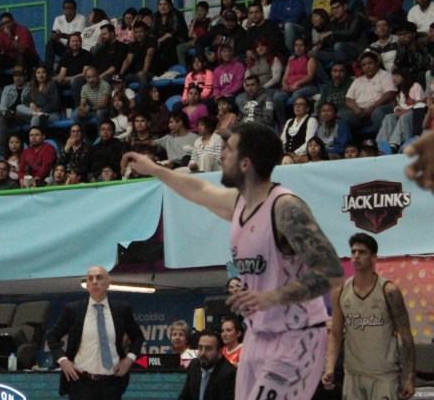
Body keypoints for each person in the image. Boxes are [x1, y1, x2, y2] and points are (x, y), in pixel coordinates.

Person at [123, 121, 345, 400]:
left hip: (295, 336)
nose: (222, 155)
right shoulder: (239, 204)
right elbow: (197, 190)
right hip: (257, 334)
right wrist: (155, 169)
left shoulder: (285, 207)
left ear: (245, 163)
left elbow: (332, 272)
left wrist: (272, 297)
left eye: (228, 149)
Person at [323, 233, 415, 400]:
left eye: (362, 252)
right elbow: (335, 334)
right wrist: (329, 367)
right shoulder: (340, 291)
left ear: (373, 258)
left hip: (384, 375)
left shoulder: (389, 291)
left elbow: (406, 335)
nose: (356, 256)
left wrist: (410, 377)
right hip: (353, 374)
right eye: (353, 251)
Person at [47, 265, 145, 400]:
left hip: (112, 383)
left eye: (99, 278)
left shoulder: (122, 310)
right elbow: (52, 336)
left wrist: (129, 359)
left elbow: (138, 337)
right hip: (81, 383)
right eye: (90, 279)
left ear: (108, 283)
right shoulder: (74, 310)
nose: (94, 282)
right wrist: (63, 360)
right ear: (86, 285)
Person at [175, 330, 237, 400]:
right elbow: (184, 396)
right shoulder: (194, 365)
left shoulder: (228, 373)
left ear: (219, 352)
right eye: (200, 348)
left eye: (208, 349)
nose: (202, 353)